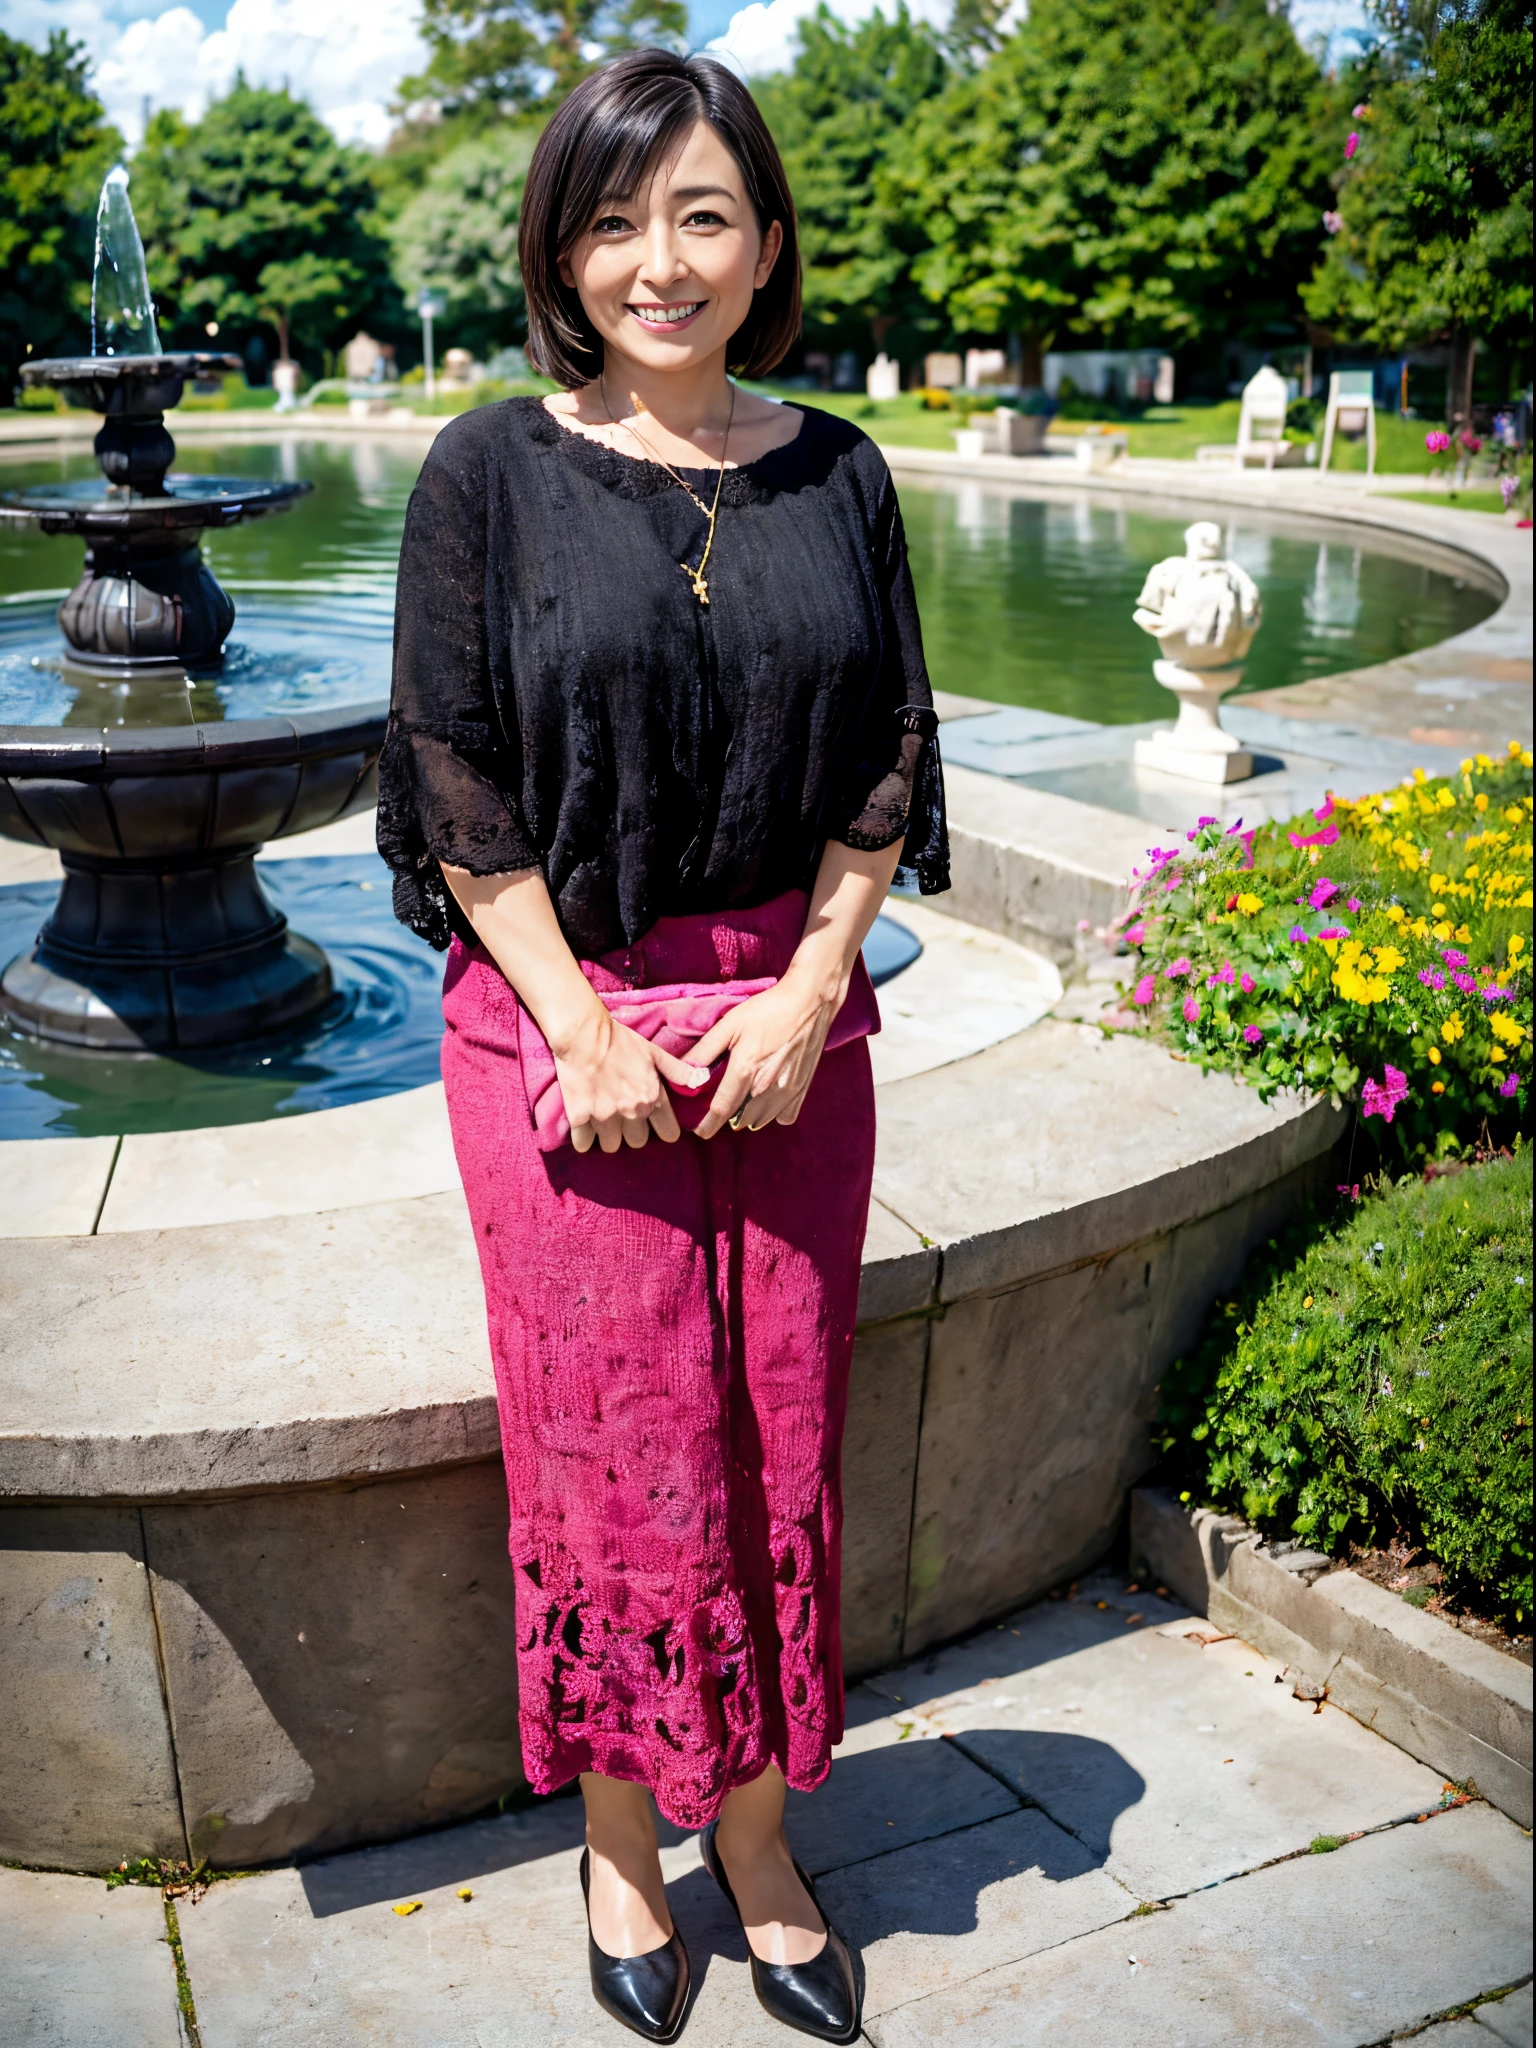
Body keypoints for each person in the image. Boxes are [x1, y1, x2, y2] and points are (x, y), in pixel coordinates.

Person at [378, 48, 947, 2044]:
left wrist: (814, 986)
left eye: (703, 213)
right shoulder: (487, 468)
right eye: (616, 218)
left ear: (767, 243)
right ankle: (624, 1841)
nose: (660, 259)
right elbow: (450, 768)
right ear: (564, 244)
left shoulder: (841, 473)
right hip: (560, 1024)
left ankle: (764, 1835)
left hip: (795, 1027)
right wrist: (579, 1023)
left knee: (779, 1426)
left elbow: (887, 749)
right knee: (612, 1449)